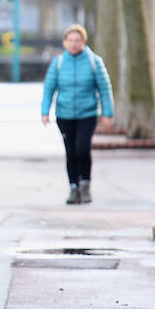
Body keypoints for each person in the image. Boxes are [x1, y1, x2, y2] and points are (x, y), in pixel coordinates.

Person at [41, 24, 114, 204]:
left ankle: (85, 184)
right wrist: (45, 111)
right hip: (64, 115)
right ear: (66, 42)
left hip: (87, 114)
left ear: (84, 42)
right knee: (71, 151)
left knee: (82, 148)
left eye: (77, 40)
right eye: (71, 40)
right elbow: (49, 88)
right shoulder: (58, 63)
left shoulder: (94, 62)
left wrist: (108, 113)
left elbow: (104, 89)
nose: (74, 44)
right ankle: (73, 188)